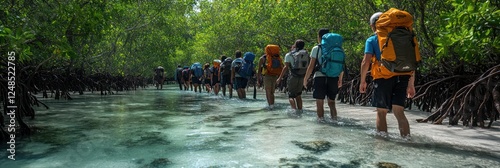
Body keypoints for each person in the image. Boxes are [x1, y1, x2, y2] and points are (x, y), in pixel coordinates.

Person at [359, 12, 415, 138]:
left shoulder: (372, 39)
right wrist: (411, 84)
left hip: (383, 77)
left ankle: (382, 144)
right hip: (403, 75)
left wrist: (362, 81)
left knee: (381, 111)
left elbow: (366, 61)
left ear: (373, 25)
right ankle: (407, 141)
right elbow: (411, 61)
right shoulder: (404, 37)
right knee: (399, 111)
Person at [302, 28, 343, 122]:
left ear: (319, 37)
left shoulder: (316, 48)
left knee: (319, 102)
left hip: (320, 77)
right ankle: (334, 121)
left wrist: (305, 79)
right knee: (332, 102)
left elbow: (311, 66)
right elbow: (341, 65)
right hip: (333, 77)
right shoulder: (338, 49)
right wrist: (340, 79)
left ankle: (321, 123)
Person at [277, 40, 308, 115]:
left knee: (291, 95)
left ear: (295, 45)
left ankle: (294, 112)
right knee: (298, 94)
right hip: (301, 77)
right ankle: (300, 111)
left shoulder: (289, 55)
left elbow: (285, 67)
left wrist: (280, 78)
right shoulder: (306, 54)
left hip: (293, 77)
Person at [258, 45, 283, 110]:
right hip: (275, 75)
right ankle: (272, 104)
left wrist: (258, 79)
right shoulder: (278, 58)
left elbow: (259, 70)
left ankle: (270, 106)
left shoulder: (263, 58)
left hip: (267, 76)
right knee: (272, 92)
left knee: (268, 91)